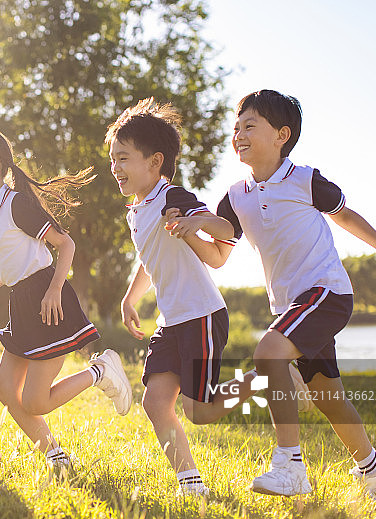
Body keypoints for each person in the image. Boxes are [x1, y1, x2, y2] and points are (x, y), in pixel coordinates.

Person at [176, 89, 376, 497]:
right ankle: (374, 467)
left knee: (268, 353)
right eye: (236, 128)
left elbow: (347, 217)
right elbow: (219, 253)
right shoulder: (236, 196)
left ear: (282, 135)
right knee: (327, 396)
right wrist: (190, 229)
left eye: (250, 126)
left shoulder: (305, 179)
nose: (239, 134)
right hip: (292, 307)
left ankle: (290, 465)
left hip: (326, 293)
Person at [0, 129, 132, 470]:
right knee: (5, 389)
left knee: (36, 401)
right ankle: (57, 458)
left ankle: (101, 370)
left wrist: (54, 289)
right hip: (20, 303)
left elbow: (66, 245)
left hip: (47, 298)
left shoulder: (17, 204)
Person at [107, 98, 263, 495]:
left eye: (123, 158)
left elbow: (224, 228)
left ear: (155, 162)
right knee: (156, 403)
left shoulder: (171, 197)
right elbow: (149, 260)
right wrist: (130, 299)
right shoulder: (136, 211)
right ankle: (191, 483)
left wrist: (193, 221)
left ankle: (269, 377)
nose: (116, 168)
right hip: (171, 322)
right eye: (113, 160)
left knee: (199, 411)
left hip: (201, 315)